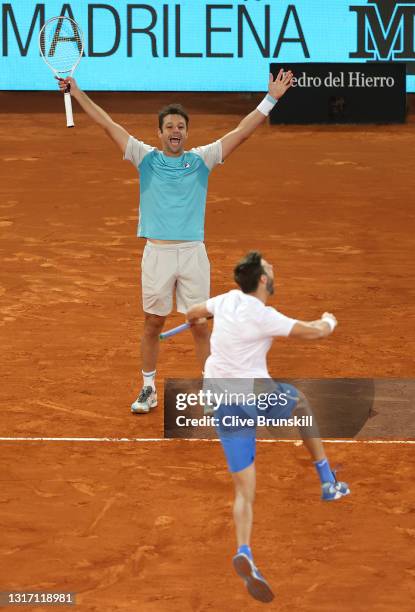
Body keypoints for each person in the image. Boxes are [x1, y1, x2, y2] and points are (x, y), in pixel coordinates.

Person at [57, 71, 294, 413]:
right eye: (169, 127)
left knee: (199, 323)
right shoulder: (144, 158)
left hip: (193, 254)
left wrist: (270, 98)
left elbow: (241, 132)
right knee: (153, 322)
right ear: (160, 133)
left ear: (186, 132)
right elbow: (108, 124)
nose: (175, 132)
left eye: (180, 127)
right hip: (158, 254)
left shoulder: (202, 160)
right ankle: (148, 388)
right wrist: (76, 92)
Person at [186, 252, 350, 603]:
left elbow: (193, 313)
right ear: (262, 280)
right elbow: (312, 333)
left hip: (219, 398)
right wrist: (329, 321)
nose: (274, 273)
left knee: (244, 490)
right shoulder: (264, 316)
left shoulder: (226, 300)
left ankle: (245, 550)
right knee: (301, 403)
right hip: (255, 397)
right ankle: (327, 481)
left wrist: (199, 324)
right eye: (271, 270)